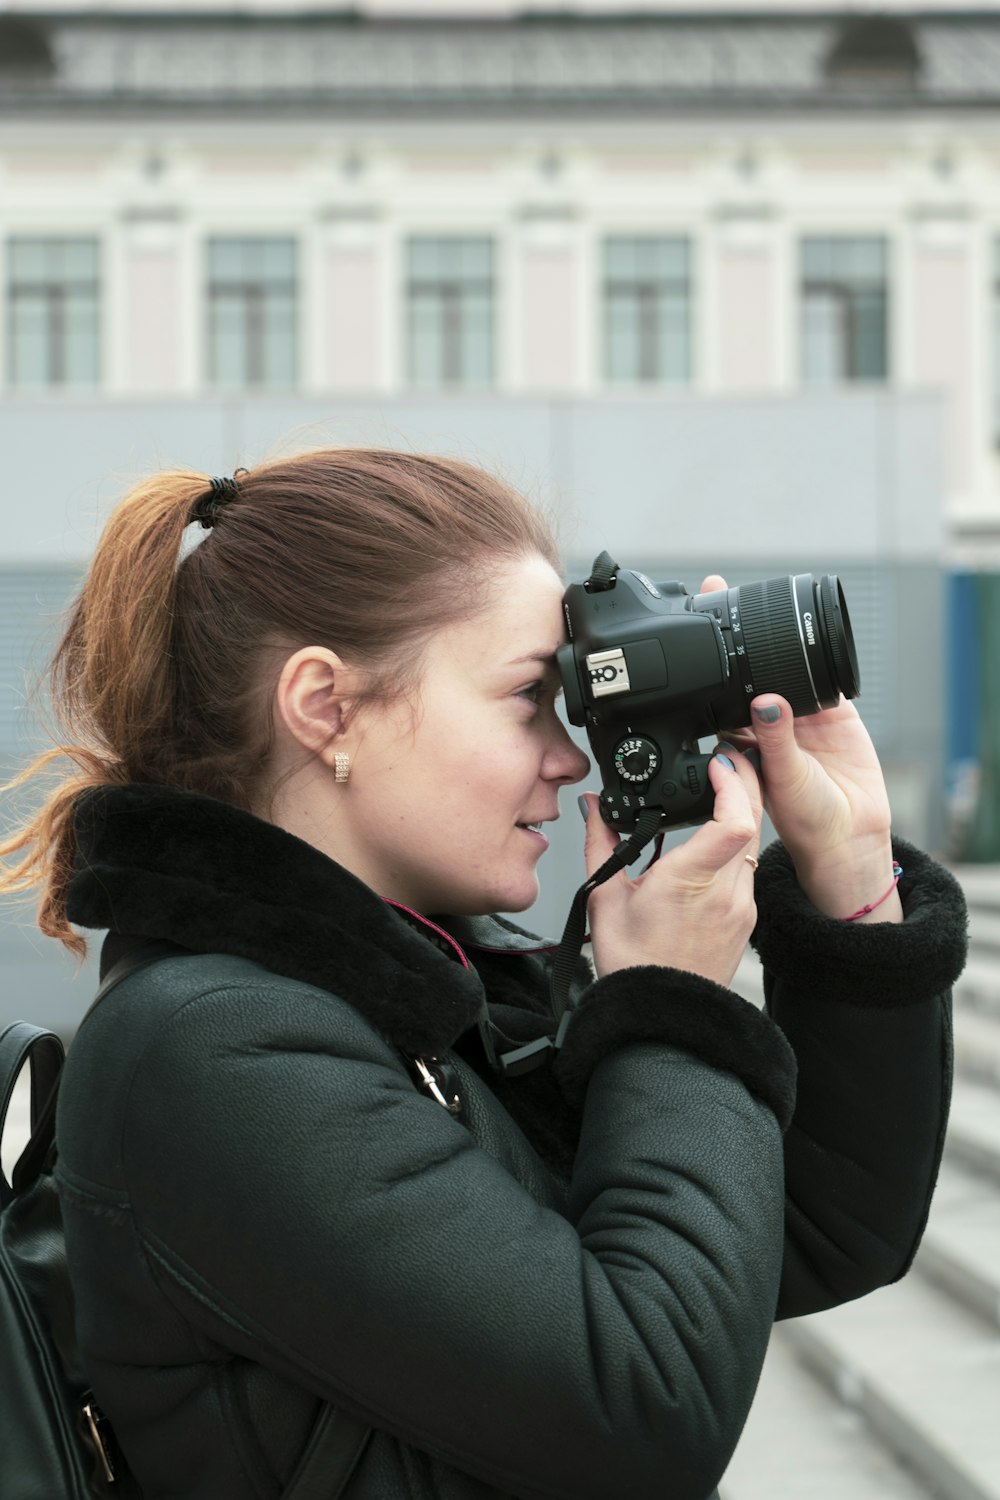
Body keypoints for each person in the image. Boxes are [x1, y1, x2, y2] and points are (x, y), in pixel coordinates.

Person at [0, 448, 966, 1500]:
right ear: (324, 705)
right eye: (526, 699)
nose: (569, 756)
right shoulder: (210, 1050)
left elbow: (826, 1229)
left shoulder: (412, 998)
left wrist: (851, 878)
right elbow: (643, 1409)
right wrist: (669, 1012)